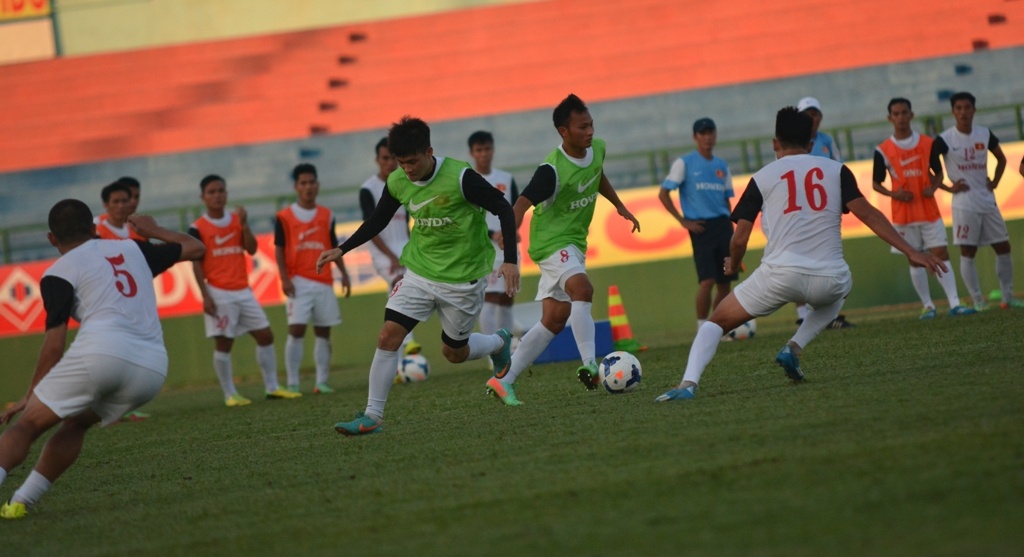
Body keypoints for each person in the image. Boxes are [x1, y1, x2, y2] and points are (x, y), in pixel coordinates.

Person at [656, 107, 946, 402]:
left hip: (779, 277)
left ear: (775, 143)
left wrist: (734, 262)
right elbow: (869, 214)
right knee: (841, 289)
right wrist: (912, 251)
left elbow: (740, 237)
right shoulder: (837, 170)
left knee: (716, 323)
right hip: (830, 278)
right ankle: (794, 347)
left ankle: (688, 384)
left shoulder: (763, 176)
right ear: (810, 144)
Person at [0, 200, 205, 519]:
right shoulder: (133, 249)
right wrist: (154, 230)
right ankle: (20, 502)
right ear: (94, 228)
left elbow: (54, 345)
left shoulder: (58, 272)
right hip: (151, 369)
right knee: (77, 423)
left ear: (52, 239)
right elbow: (196, 247)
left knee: (27, 425)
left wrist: (30, 394)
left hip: (102, 353)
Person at [316, 116, 519, 435]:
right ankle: (373, 416)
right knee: (388, 336)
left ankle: (498, 342)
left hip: (463, 278)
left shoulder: (460, 177)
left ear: (429, 152)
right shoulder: (397, 181)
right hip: (420, 272)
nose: (407, 169)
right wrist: (342, 249)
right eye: (401, 163)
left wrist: (510, 260)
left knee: (454, 353)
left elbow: (503, 208)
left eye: (412, 162)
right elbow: (378, 220)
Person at [484, 93, 640, 406]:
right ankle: (590, 364)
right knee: (583, 289)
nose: (590, 132)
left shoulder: (598, 148)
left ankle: (504, 381)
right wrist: (508, 237)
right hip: (551, 242)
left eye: (591, 125)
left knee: (554, 320)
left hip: (575, 242)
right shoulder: (551, 170)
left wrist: (619, 205)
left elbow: (596, 174)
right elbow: (521, 203)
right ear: (563, 131)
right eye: (582, 127)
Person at [190, 175, 300, 405]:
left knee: (265, 335)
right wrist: (205, 295)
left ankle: (272, 387)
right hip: (219, 292)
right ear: (203, 197)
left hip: (243, 290)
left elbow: (251, 249)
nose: (217, 195)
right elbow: (196, 263)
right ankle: (230, 394)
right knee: (224, 343)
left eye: (221, 190)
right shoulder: (198, 228)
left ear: (226, 194)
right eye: (211, 192)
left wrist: (245, 224)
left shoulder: (235, 220)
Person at [872, 98, 976, 319]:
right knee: (914, 258)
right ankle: (928, 306)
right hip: (903, 214)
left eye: (904, 113)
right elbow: (875, 184)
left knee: (941, 253)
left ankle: (955, 303)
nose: (901, 117)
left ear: (912, 115)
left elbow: (938, 173)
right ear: (890, 118)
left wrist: (934, 187)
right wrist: (894, 194)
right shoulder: (883, 150)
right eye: (896, 114)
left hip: (929, 211)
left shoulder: (928, 143)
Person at [929, 91, 1021, 310]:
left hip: (987, 200)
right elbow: (929, 169)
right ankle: (978, 301)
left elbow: (1001, 158)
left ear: (974, 110)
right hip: (964, 204)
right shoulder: (944, 139)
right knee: (968, 252)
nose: (963, 112)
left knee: (1003, 246)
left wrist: (995, 181)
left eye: (967, 108)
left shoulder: (984, 133)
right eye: (959, 108)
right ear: (953, 112)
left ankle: (1007, 298)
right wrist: (948, 187)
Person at [275, 163, 351, 394]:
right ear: (296, 187)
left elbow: (333, 246)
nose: (308, 187)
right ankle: (293, 383)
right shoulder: (284, 217)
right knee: (296, 330)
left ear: (317, 185)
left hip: (323, 281)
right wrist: (284, 278)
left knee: (323, 331)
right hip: (298, 281)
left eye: (311, 182)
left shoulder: (327, 215)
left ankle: (321, 382)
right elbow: (279, 249)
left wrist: (344, 273)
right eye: (303, 183)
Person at [658, 117, 737, 329]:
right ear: (695, 137)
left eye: (711, 132)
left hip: (722, 225)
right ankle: (702, 326)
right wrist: (683, 220)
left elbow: (726, 200)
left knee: (725, 282)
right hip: (701, 226)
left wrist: (731, 227)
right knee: (707, 280)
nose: (708, 137)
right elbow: (664, 193)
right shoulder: (684, 163)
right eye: (703, 133)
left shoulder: (722, 166)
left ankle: (717, 326)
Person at [796, 96, 853, 329]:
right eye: (808, 114)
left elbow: (840, 168)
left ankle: (826, 315)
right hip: (801, 210)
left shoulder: (827, 141)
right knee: (801, 260)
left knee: (828, 259)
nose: (813, 118)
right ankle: (803, 316)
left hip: (826, 209)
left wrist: (844, 198)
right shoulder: (792, 140)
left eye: (815, 113)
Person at [360, 137, 419, 356]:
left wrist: (412, 248)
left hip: (405, 247)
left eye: (393, 158)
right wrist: (392, 257)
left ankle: (397, 355)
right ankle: (409, 341)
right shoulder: (368, 189)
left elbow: (406, 222)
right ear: (377, 160)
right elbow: (370, 227)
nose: (389, 163)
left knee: (408, 291)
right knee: (398, 282)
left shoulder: (405, 182)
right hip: (382, 251)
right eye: (385, 158)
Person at [468, 130, 520, 338]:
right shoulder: (468, 180)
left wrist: (512, 231)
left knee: (507, 296)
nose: (484, 154)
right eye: (479, 150)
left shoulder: (506, 178)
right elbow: (468, 217)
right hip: (483, 248)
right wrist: (492, 234)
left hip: (507, 247)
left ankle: (505, 345)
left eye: (487, 149)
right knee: (489, 298)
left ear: (493, 150)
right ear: (472, 153)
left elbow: (516, 209)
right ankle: (491, 348)